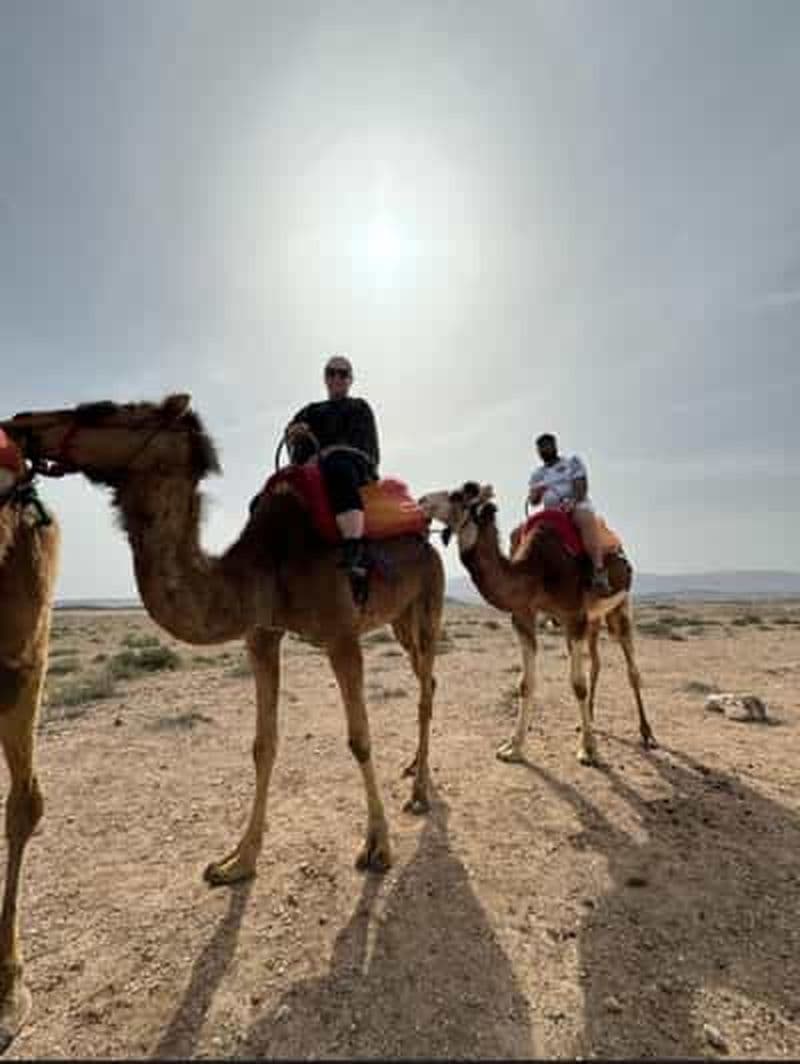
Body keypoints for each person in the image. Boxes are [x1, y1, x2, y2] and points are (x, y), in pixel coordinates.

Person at [285, 354, 380, 604]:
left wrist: (328, 453)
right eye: (331, 372)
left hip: (348, 466)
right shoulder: (310, 410)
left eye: (343, 373)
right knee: (271, 493)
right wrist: (294, 433)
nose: (337, 377)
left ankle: (354, 553)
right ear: (325, 377)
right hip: (310, 471)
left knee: (338, 468)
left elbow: (365, 447)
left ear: (350, 379)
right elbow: (291, 436)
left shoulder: (359, 407)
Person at [528, 432, 611, 594]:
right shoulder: (537, 474)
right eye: (540, 448)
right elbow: (533, 501)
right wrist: (536, 493)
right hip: (550, 513)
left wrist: (572, 502)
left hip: (575, 505)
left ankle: (599, 571)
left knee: (584, 518)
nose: (544, 450)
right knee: (526, 533)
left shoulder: (572, 462)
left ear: (554, 446)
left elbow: (581, 486)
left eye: (547, 445)